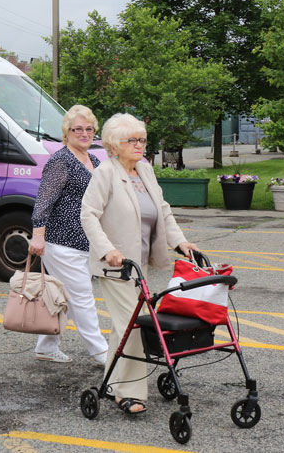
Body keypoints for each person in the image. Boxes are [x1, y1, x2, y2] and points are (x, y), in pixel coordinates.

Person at [81, 113, 201, 416]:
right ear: (113, 145)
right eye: (132, 140)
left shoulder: (144, 172)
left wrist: (181, 242)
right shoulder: (105, 173)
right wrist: (107, 250)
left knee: (122, 326)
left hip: (139, 264)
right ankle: (128, 392)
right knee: (132, 325)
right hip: (116, 267)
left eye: (142, 139)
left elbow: (163, 209)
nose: (139, 145)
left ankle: (110, 383)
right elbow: (88, 215)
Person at [28, 105, 108, 366]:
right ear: (67, 132)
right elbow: (43, 201)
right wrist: (37, 236)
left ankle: (46, 345)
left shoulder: (94, 161)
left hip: (86, 243)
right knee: (83, 298)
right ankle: (101, 353)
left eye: (89, 129)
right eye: (78, 129)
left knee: (67, 298)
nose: (84, 133)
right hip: (61, 242)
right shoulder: (61, 161)